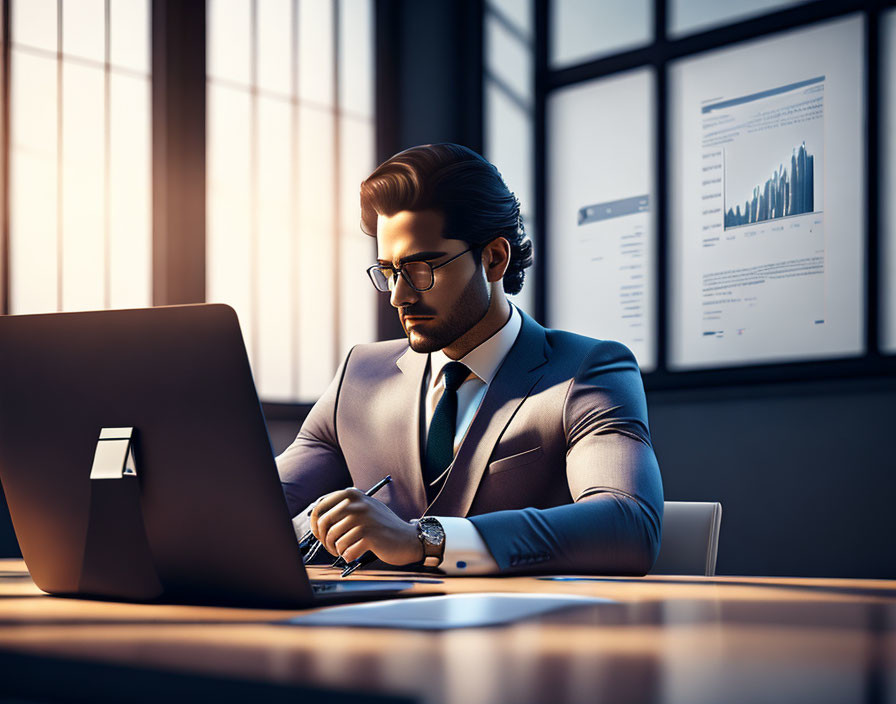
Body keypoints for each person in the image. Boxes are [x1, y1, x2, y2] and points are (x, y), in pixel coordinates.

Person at [276, 143, 663, 575]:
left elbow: (628, 524)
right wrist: (320, 527)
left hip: (521, 634)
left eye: (422, 268)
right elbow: (254, 509)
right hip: (369, 631)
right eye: (389, 271)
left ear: (494, 258)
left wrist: (424, 539)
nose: (400, 296)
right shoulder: (360, 375)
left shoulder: (587, 371)